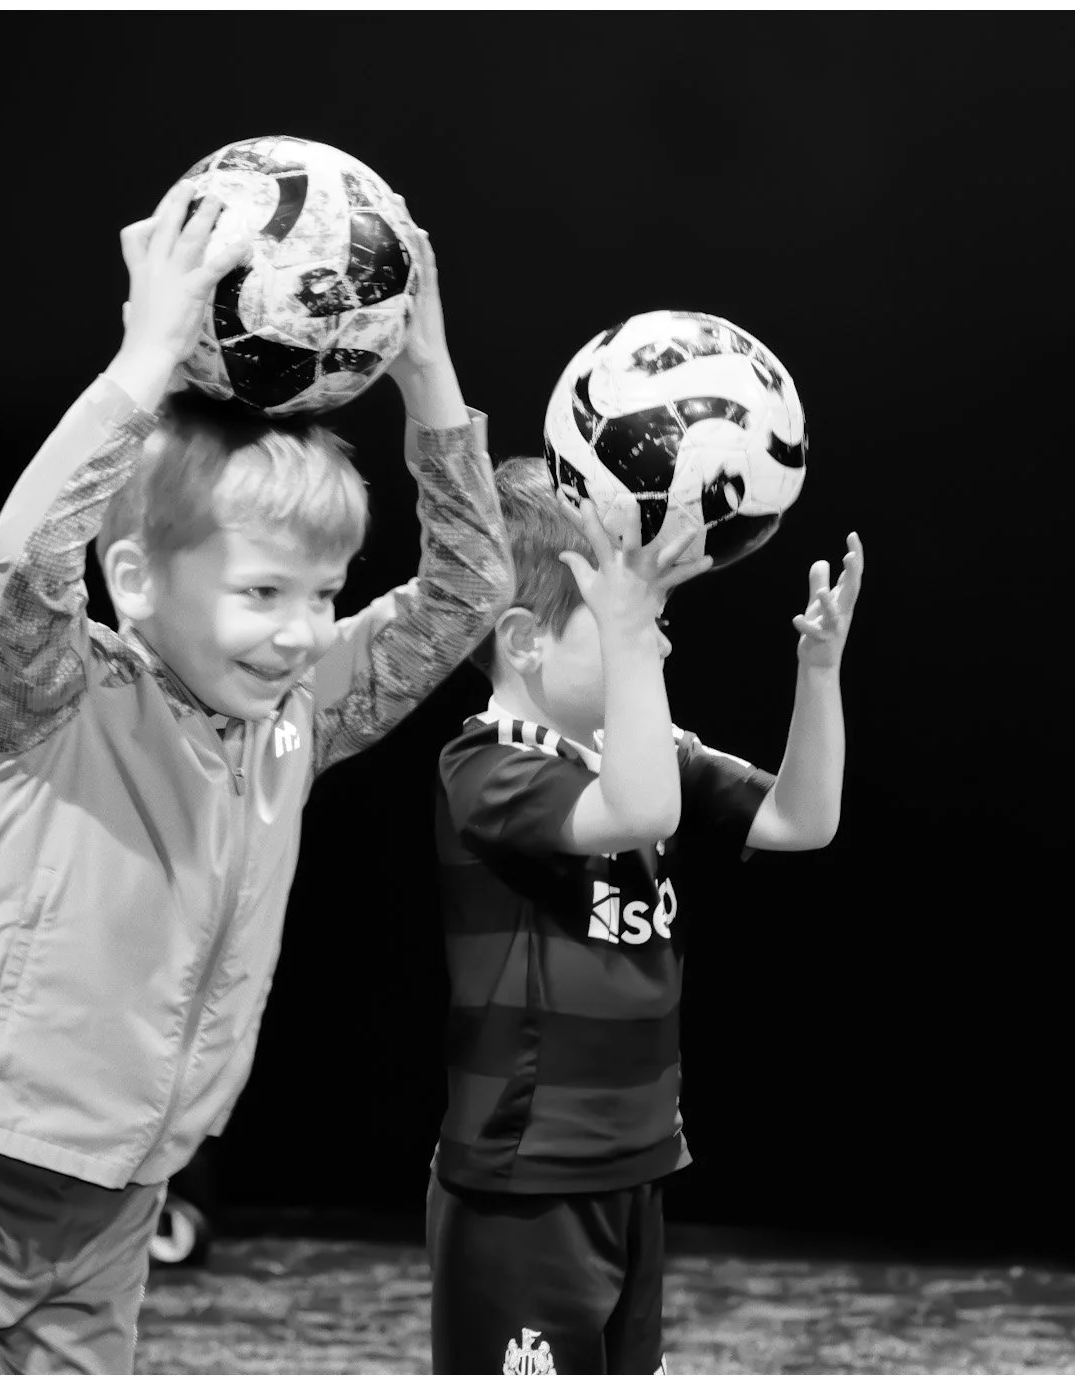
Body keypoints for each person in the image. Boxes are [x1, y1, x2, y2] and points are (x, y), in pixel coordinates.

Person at [0, 181, 511, 1374]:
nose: (305, 631)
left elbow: (466, 595)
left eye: (322, 594)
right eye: (263, 592)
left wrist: (431, 381)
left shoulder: (297, 714)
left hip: (116, 1205)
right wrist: (141, 363)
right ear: (139, 580)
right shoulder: (60, 695)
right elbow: (27, 560)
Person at [427, 459, 863, 1374]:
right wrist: (631, 639)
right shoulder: (485, 765)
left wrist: (816, 672)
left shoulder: (647, 753)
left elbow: (802, 820)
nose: (659, 648)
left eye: (656, 627)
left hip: (636, 1162)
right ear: (524, 639)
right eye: (630, 627)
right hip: (525, 1183)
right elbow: (641, 813)